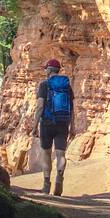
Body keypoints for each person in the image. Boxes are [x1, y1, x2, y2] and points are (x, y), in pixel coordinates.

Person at [34, 59, 74, 195]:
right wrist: (72, 126)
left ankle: (46, 184)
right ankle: (59, 180)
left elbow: (40, 106)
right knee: (61, 154)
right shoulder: (66, 86)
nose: (45, 71)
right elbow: (72, 108)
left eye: (46, 68)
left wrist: (34, 126)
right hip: (63, 122)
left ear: (50, 70)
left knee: (46, 152)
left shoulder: (44, 85)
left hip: (47, 123)